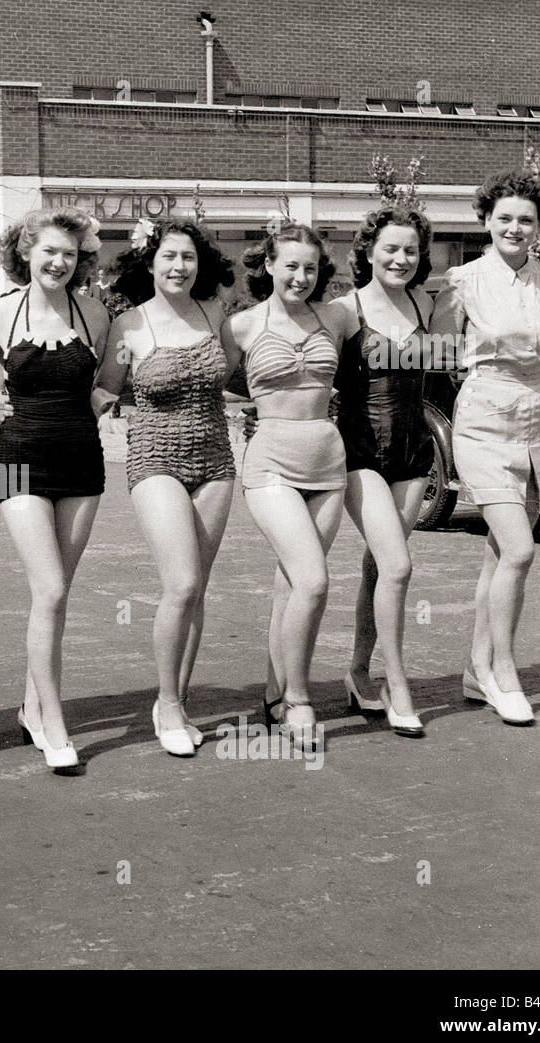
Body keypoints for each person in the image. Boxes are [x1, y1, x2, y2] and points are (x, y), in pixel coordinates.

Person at [92, 220, 238, 756]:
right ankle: (169, 706)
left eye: (189, 258)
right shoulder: (129, 325)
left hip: (216, 460)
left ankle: (175, 697)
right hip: (154, 459)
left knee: (197, 587)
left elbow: (237, 373)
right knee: (180, 583)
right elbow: (107, 386)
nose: (180, 266)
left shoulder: (214, 314)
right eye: (170, 256)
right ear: (150, 264)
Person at [430, 170, 540, 725]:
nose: (515, 227)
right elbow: (439, 354)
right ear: (486, 221)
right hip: (483, 421)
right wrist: (483, 388)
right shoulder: (461, 281)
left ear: (539, 228)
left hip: (538, 420)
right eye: (505, 217)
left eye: (526, 220)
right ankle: (503, 671)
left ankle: (475, 666)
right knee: (519, 551)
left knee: (499, 553)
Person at [0, 206, 110, 770]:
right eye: (49, 251)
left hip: (82, 459)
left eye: (70, 254)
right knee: (50, 589)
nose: (59, 261)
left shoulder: (96, 314)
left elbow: (104, 387)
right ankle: (54, 723)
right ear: (26, 253)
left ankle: (33, 706)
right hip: (19, 459)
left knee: (56, 595)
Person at [220, 224, 356, 748]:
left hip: (329, 466)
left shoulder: (338, 316)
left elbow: (397, 294)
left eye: (311, 267)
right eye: (291, 265)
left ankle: (275, 692)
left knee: (292, 585)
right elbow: (206, 385)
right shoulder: (242, 326)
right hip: (270, 465)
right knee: (314, 581)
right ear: (269, 265)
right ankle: (299, 700)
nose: (301, 276)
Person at [330, 205, 436, 735]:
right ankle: (398, 685)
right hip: (360, 456)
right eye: (391, 248)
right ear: (368, 251)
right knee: (397, 566)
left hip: (414, 457)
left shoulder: (427, 303)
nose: (401, 258)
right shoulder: (344, 310)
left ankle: (356, 671)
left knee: (379, 565)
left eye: (411, 250)